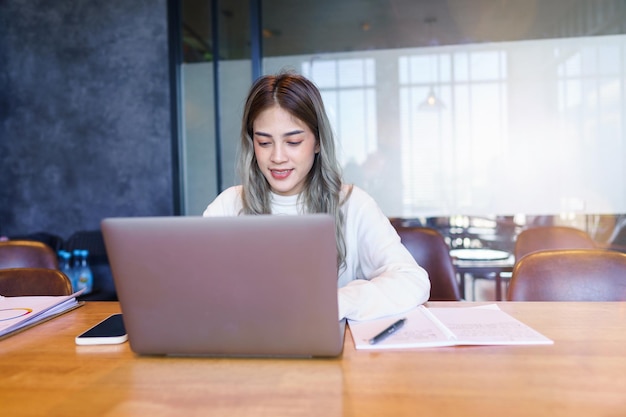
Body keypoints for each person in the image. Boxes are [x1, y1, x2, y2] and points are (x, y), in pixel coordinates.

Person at [203, 72, 430, 321]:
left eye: (293, 141)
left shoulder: (353, 204)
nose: (277, 157)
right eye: (265, 143)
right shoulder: (228, 206)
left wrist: (337, 302)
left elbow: (411, 280)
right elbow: (195, 289)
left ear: (318, 142)